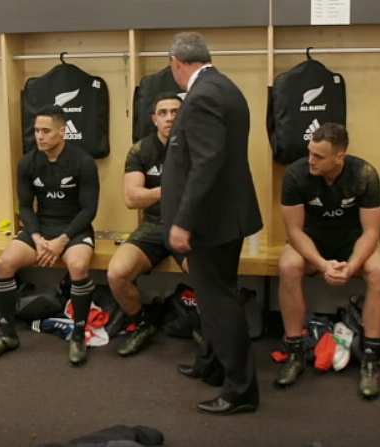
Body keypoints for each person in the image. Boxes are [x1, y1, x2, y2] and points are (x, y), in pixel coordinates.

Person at [162, 32, 263, 415]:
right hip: (224, 217)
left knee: (218, 301)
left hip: (210, 222)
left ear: (176, 61)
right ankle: (212, 364)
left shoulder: (203, 95)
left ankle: (241, 391)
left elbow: (206, 163)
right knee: (215, 295)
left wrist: (183, 221)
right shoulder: (225, 86)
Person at [276, 122, 380, 400]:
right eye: (310, 153)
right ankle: (295, 351)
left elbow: (372, 232)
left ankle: (371, 358)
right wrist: (323, 264)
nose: (311, 160)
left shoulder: (364, 174)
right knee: (288, 267)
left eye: (319, 156)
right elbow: (294, 231)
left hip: (351, 240)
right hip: (311, 240)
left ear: (340, 156)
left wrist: (351, 266)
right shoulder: (295, 174)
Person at [0, 104, 100, 366]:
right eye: (36, 131)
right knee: (4, 264)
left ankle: (78, 336)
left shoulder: (83, 162)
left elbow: (89, 210)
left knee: (79, 266)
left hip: (74, 229)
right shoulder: (27, 163)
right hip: (40, 229)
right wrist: (35, 237)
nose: (40, 136)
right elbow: (24, 206)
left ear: (63, 131)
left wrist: (62, 241)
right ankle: (8, 335)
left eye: (46, 131)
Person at [107, 92, 187, 357]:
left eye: (175, 111)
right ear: (154, 119)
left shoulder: (197, 146)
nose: (169, 118)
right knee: (116, 274)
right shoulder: (142, 149)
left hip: (188, 226)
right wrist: (171, 190)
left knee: (205, 279)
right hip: (153, 225)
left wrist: (153, 192)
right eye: (163, 113)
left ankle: (208, 336)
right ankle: (143, 323)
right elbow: (132, 198)